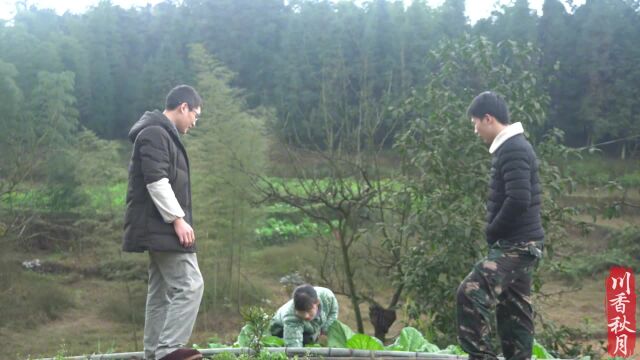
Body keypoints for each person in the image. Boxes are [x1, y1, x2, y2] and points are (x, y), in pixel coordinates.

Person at [456, 91, 544, 360]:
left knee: (470, 291)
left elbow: (518, 199)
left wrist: (492, 230)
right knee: (514, 316)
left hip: (517, 244)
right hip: (522, 244)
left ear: (488, 118)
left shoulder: (514, 148)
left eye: (475, 123)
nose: (475, 130)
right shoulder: (512, 147)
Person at [123, 85, 205, 360]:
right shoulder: (156, 134)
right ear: (184, 107)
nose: (195, 121)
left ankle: (154, 354)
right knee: (191, 284)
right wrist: (178, 220)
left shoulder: (161, 135)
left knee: (160, 294)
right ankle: (169, 351)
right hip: (163, 227)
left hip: (158, 227)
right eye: (195, 114)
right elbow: (156, 181)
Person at [270, 284, 339, 347]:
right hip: (280, 331)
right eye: (301, 312)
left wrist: (324, 329)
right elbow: (293, 348)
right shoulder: (290, 317)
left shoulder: (327, 297)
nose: (306, 316)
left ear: (317, 302)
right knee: (306, 343)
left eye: (309, 310)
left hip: (310, 328)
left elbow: (333, 313)